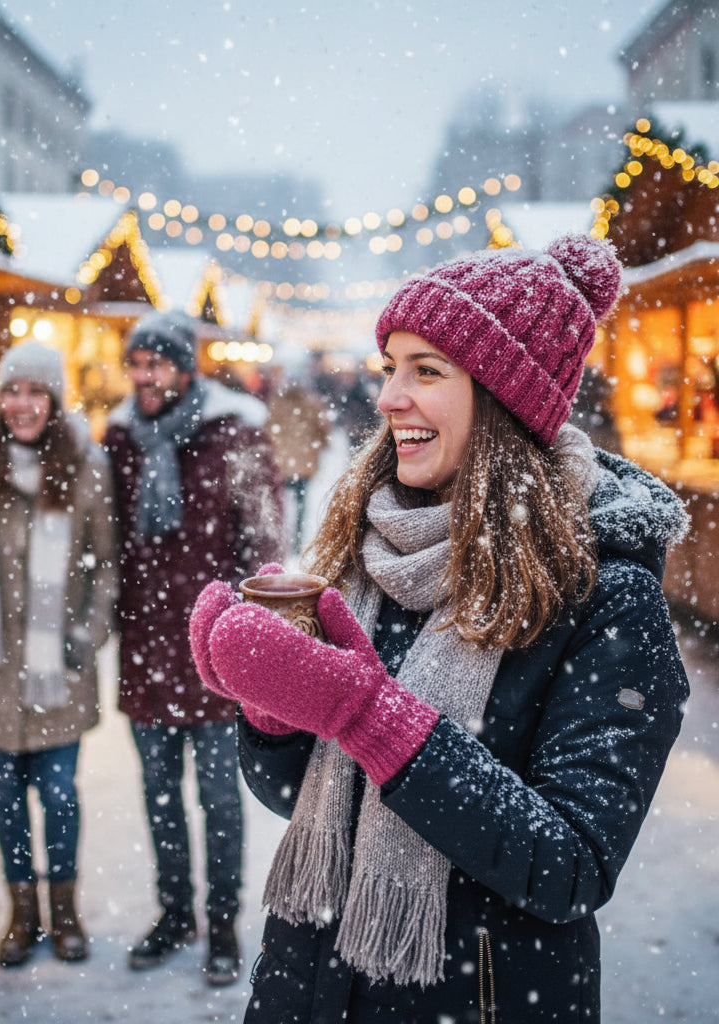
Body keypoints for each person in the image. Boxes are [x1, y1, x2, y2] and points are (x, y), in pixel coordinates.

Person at [190, 235, 690, 1022]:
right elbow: (309, 799)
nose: (389, 396)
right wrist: (276, 715)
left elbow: (570, 866)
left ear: (502, 400)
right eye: (391, 366)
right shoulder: (372, 549)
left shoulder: (608, 596)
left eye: (426, 371)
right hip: (310, 982)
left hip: (481, 996)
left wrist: (366, 714)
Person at [102, 312, 284, 987]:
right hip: (146, 650)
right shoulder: (120, 438)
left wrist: (247, 631)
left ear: (187, 368)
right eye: (137, 364)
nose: (146, 377)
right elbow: (110, 537)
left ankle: (223, 926)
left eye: (159, 363)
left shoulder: (234, 431)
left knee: (219, 798)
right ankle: (174, 912)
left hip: (214, 653)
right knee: (158, 795)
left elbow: (264, 540)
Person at [0, 341, 117, 969]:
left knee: (59, 794)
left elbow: (107, 565)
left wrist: (83, 639)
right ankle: (22, 913)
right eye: (12, 390)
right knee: (5, 797)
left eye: (36, 392)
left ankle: (65, 911)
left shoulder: (86, 464)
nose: (22, 405)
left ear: (55, 400)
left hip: (57, 666)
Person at [266, 373, 332, 553]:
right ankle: (297, 537)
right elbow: (324, 427)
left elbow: (268, 428)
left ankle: (282, 537)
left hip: (282, 462)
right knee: (301, 501)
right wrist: (321, 443)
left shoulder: (277, 405)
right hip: (304, 461)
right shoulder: (311, 404)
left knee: (281, 501)